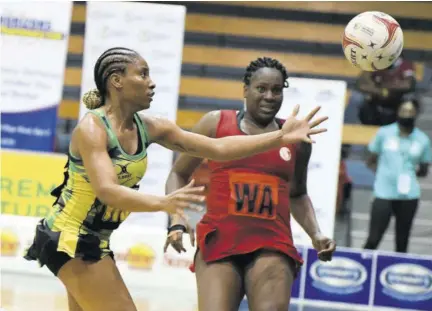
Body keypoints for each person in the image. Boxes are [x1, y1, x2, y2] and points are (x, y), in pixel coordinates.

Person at [23, 48, 328, 311]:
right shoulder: (93, 129)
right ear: (116, 81)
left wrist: (278, 137)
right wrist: (164, 204)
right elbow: (107, 192)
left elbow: (219, 148)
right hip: (69, 238)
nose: (151, 82)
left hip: (93, 240)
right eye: (142, 74)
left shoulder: (152, 127)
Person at [164, 57, 337, 311]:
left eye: (277, 90)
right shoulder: (215, 124)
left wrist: (316, 233)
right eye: (261, 88)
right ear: (245, 89)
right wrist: (177, 219)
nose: (269, 96)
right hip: (220, 240)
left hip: (273, 244)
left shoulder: (296, 138)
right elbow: (178, 174)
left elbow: (297, 194)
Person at [364, 97, 431, 253]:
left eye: (410, 111)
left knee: (402, 241)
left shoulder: (423, 139)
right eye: (403, 110)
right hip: (384, 192)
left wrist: (409, 174)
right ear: (397, 112)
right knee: (373, 238)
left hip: (409, 195)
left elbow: (424, 169)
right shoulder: (384, 133)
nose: (406, 114)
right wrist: (384, 174)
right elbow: (371, 160)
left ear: (416, 114)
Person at [356, 54, 416, 126]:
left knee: (410, 102)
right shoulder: (375, 63)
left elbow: (407, 85)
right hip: (376, 100)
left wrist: (384, 87)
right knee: (357, 98)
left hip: (397, 100)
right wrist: (380, 91)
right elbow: (361, 84)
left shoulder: (405, 64)